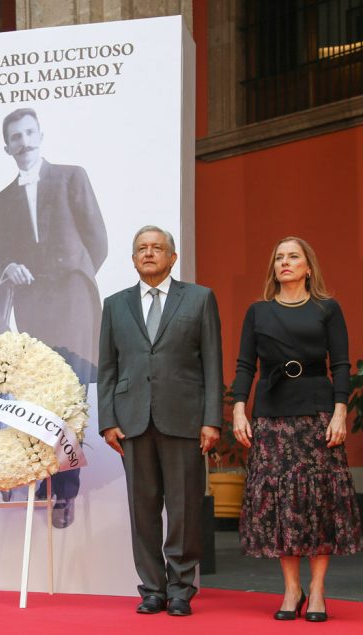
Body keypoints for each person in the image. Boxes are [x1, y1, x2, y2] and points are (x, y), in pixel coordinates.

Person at [0, 107, 108, 527]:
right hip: (33, 305)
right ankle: (44, 474)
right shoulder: (3, 198)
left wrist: (73, 274)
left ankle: (63, 490)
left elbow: (97, 240)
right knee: (40, 395)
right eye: (15, 136)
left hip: (71, 299)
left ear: (41, 135)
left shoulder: (72, 176)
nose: (24, 141)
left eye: (29, 132)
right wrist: (7, 267)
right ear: (7, 147)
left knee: (69, 394)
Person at [231, 236, 363, 623]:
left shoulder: (327, 308)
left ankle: (318, 590)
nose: (284, 263)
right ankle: (292, 589)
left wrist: (340, 412)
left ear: (308, 267)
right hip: (272, 415)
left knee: (319, 501)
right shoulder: (258, 312)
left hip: (318, 413)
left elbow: (340, 364)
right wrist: (240, 409)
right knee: (281, 504)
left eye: (293, 257)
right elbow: (244, 366)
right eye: (279, 258)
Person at [97, 225, 222, 617]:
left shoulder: (199, 299)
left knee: (184, 508)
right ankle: (153, 588)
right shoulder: (115, 304)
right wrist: (107, 420)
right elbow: (108, 367)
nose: (149, 253)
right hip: (131, 420)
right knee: (143, 509)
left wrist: (211, 420)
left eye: (157, 248)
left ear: (172, 257)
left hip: (184, 418)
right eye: (141, 249)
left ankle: (181, 590)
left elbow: (213, 364)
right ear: (133, 259)